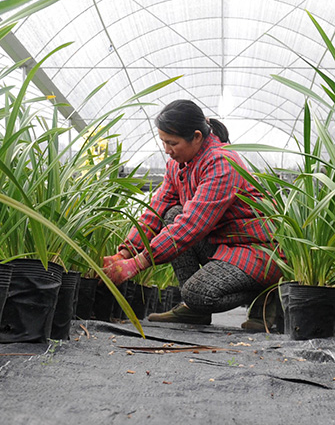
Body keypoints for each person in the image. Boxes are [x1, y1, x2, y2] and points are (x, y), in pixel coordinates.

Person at [102, 99, 283, 330]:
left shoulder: (222, 162)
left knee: (198, 293)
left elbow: (192, 226)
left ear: (197, 136)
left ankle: (266, 293)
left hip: (257, 250)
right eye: (163, 142)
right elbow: (156, 209)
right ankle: (195, 309)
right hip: (223, 243)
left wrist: (137, 263)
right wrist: (125, 252)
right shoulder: (177, 165)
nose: (167, 150)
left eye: (172, 143)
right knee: (172, 213)